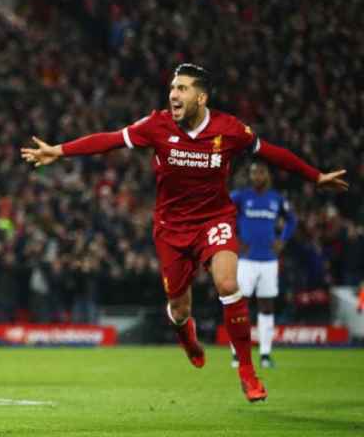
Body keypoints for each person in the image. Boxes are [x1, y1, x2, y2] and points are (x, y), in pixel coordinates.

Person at [21, 63, 348, 403]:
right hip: (171, 228)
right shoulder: (157, 125)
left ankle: (248, 372)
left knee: (227, 284)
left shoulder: (229, 129)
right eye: (172, 88)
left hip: (214, 220)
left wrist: (315, 176)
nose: (173, 94)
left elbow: (271, 153)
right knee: (179, 308)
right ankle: (186, 334)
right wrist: (59, 150)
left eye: (182, 89)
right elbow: (110, 140)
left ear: (201, 97)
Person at [229, 160, 296, 369]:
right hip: (246, 261)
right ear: (250, 176)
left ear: (267, 175)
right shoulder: (240, 197)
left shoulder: (276, 199)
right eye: (254, 172)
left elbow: (292, 220)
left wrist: (282, 240)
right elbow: (223, 214)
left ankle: (265, 354)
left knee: (267, 306)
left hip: (268, 260)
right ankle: (237, 353)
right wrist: (236, 239)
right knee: (240, 305)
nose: (257, 176)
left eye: (261, 172)